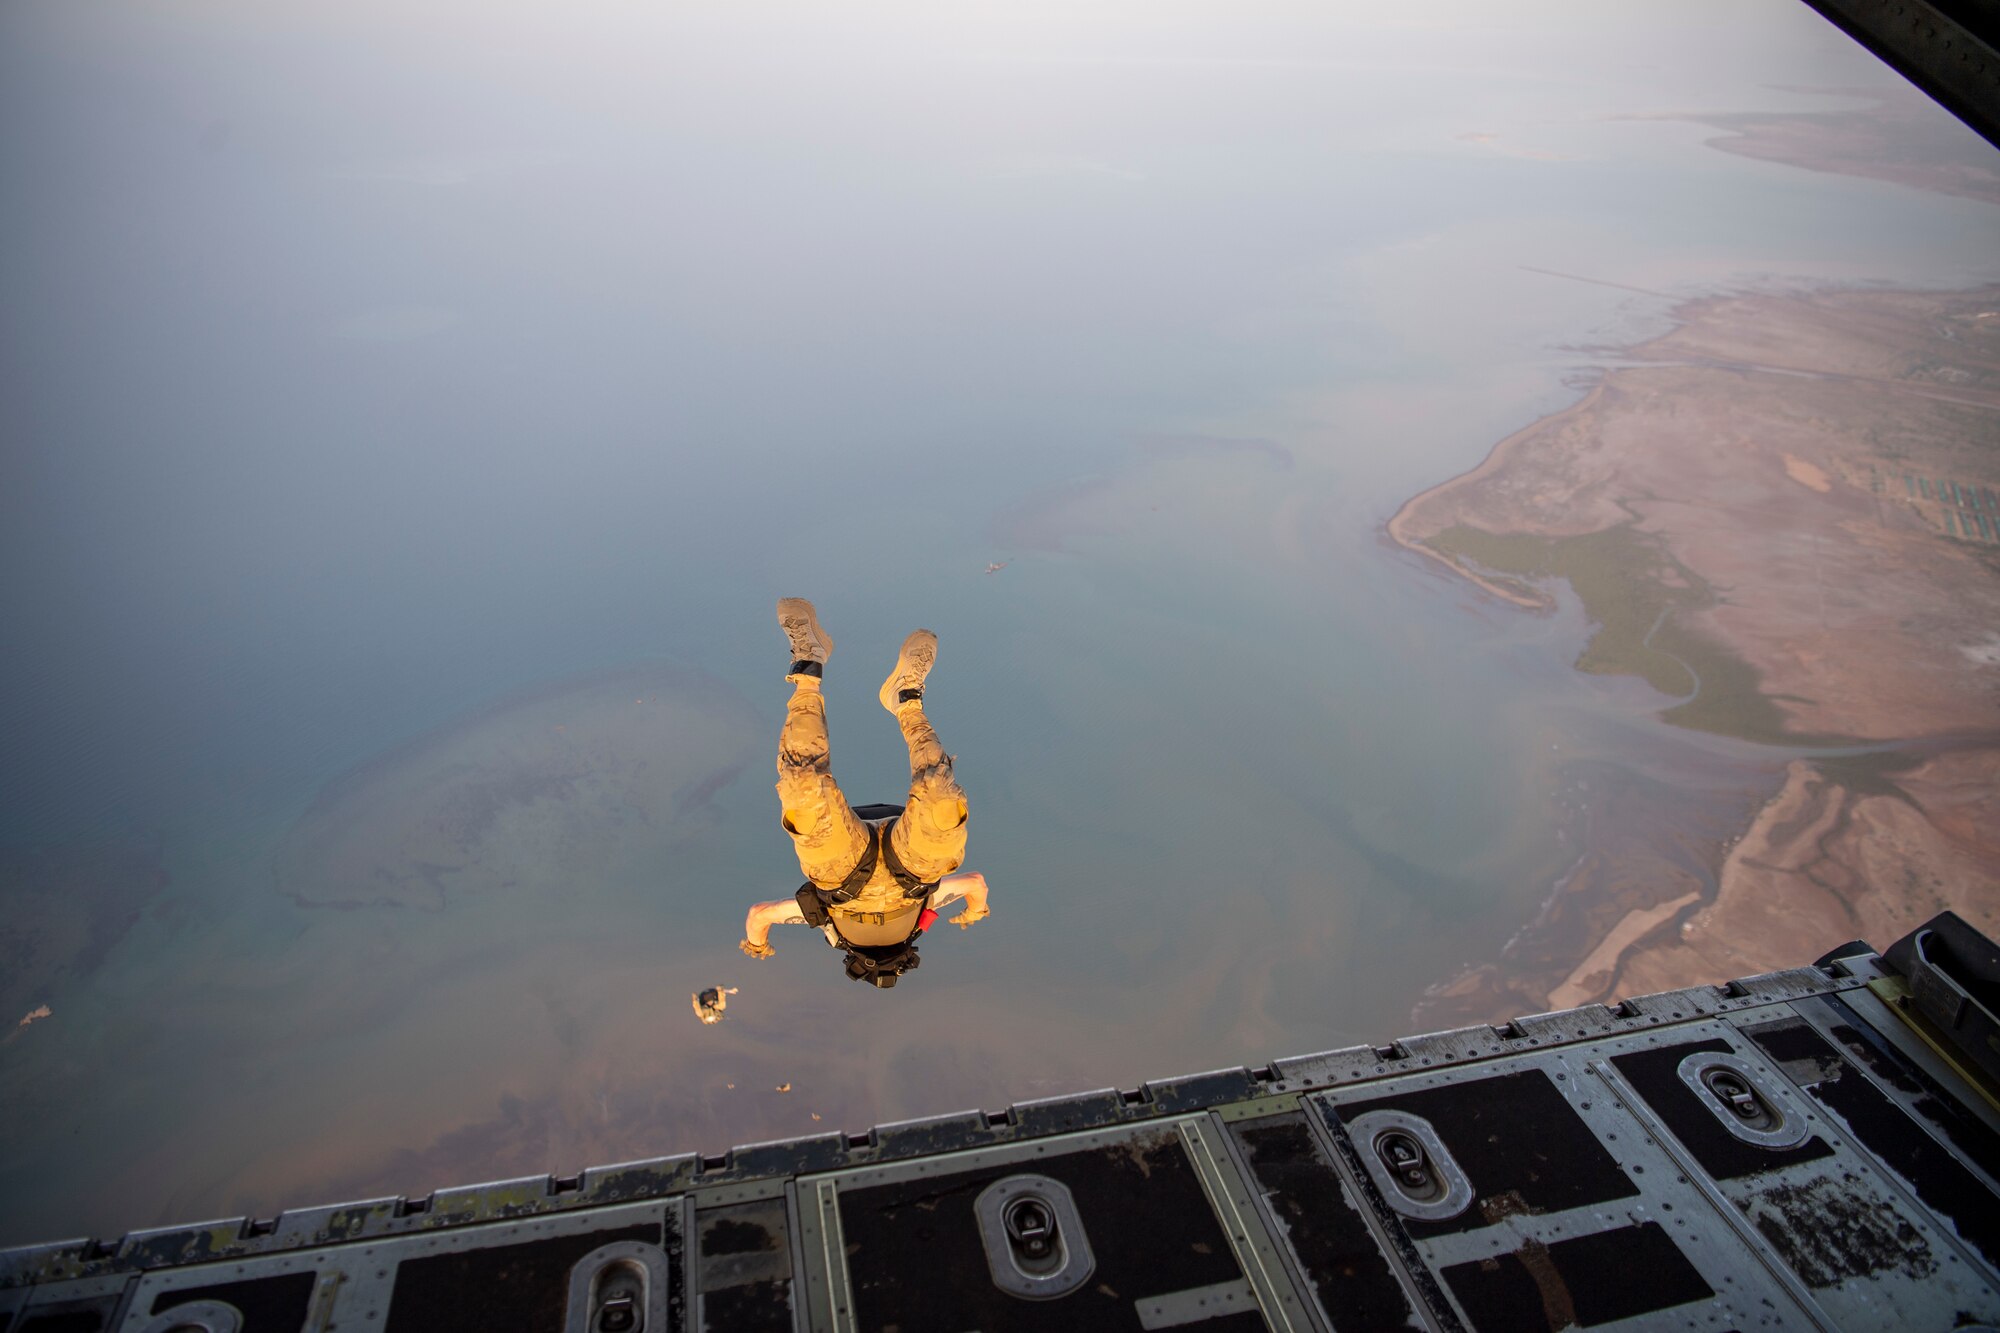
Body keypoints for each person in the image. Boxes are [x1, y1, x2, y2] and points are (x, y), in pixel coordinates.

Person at [739, 598, 990, 987]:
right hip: (913, 873)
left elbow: (759, 915)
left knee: (803, 790)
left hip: (841, 876)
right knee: (942, 799)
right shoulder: (929, 900)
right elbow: (761, 916)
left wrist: (975, 910)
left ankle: (809, 664)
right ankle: (907, 699)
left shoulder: (823, 916)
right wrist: (757, 945)